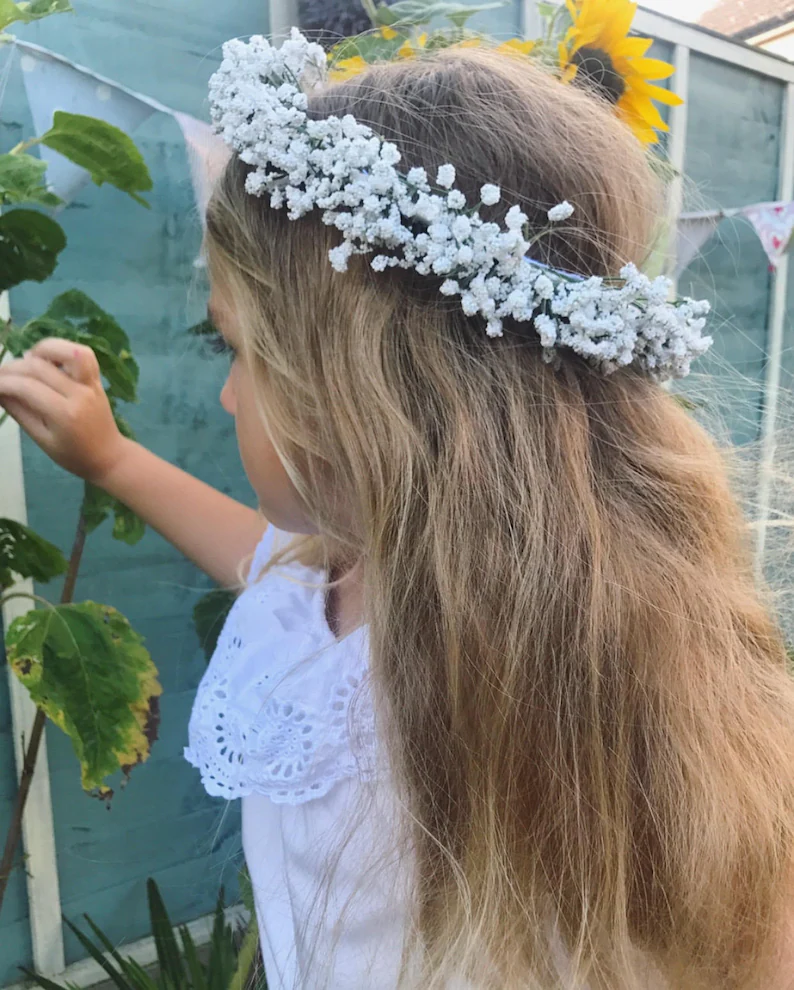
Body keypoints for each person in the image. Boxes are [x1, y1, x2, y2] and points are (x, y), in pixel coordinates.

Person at [1, 30, 794, 990]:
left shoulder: (548, 672)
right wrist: (112, 458)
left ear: (364, 393)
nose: (228, 399)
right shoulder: (346, 569)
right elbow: (267, 570)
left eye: (236, 351)